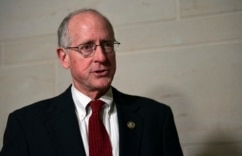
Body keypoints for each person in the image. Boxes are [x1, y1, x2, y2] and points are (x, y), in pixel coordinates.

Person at [0, 8, 183, 156]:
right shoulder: (27, 125)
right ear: (64, 58)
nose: (101, 57)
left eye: (107, 45)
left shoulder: (157, 117)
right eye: (87, 47)